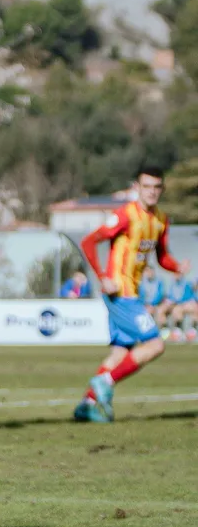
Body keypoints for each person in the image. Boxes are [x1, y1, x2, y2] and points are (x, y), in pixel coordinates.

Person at [74, 167, 189, 422]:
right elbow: (89, 241)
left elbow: (162, 258)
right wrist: (104, 278)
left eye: (156, 187)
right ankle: (106, 381)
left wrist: (176, 266)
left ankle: (87, 404)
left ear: (162, 190)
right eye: (146, 186)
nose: (151, 192)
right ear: (137, 187)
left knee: (119, 354)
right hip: (120, 294)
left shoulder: (160, 220)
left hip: (132, 294)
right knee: (155, 344)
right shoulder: (125, 215)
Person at [162, 276, 196, 341]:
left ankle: (181, 331)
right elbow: (168, 296)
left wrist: (177, 302)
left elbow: (188, 296)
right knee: (161, 310)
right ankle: (165, 331)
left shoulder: (186, 284)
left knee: (177, 310)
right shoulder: (172, 284)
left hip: (182, 304)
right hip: (174, 304)